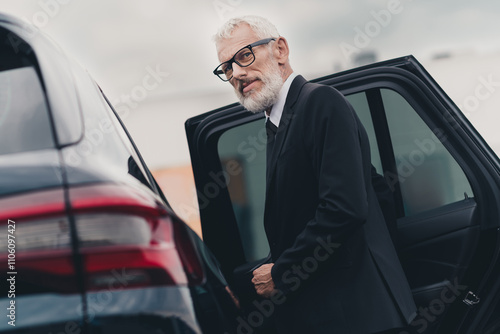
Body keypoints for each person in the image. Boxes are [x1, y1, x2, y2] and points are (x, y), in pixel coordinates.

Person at [213, 16, 416, 334]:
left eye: (244, 55)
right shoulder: (277, 125)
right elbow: (375, 191)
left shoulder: (320, 102)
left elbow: (344, 208)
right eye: (226, 68)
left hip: (359, 317)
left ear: (280, 49)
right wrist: (237, 286)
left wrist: (282, 273)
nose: (236, 73)